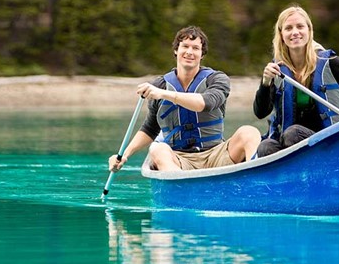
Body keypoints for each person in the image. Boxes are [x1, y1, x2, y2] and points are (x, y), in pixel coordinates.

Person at [108, 26, 261, 172]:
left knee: (249, 132)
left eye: (195, 48)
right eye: (185, 46)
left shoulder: (217, 79)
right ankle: (181, 186)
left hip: (215, 155)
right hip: (180, 159)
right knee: (157, 149)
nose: (190, 52)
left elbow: (206, 103)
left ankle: (254, 180)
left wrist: (163, 94)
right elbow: (150, 128)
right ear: (176, 50)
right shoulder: (160, 84)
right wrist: (124, 155)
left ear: (202, 54)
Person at [253, 4, 339, 158]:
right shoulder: (276, 70)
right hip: (289, 142)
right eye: (288, 28)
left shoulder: (331, 63)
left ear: (309, 31)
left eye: (300, 26)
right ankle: (288, 179)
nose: (295, 32)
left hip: (329, 141)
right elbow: (260, 112)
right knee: (265, 147)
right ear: (281, 34)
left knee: (293, 133)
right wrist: (265, 82)